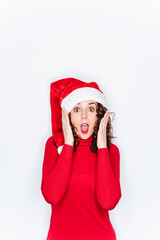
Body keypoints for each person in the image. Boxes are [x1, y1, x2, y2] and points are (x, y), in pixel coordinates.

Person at [41, 77, 122, 240]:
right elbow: (52, 196)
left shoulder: (111, 151)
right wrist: (69, 145)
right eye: (77, 109)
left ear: (99, 115)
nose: (84, 116)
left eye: (91, 109)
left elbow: (108, 202)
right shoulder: (55, 146)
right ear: (68, 115)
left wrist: (102, 147)